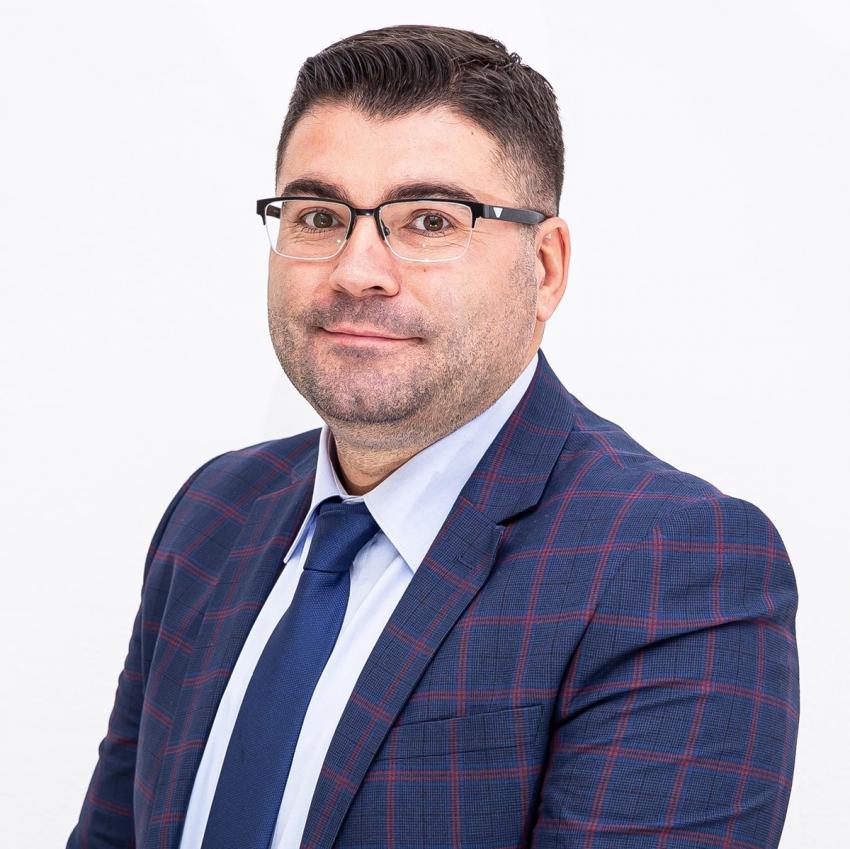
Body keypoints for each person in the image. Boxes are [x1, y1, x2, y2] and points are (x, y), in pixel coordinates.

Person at [66, 23, 799, 849]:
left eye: (429, 221)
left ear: (545, 267)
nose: (356, 270)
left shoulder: (674, 566)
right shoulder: (213, 512)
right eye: (318, 215)